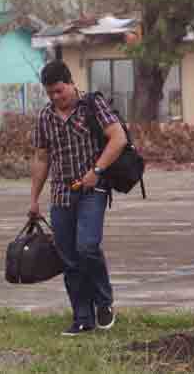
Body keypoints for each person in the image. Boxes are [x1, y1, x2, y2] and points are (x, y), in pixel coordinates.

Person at [30, 60, 127, 336]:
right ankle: (82, 316)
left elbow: (117, 138)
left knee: (87, 246)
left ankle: (104, 302)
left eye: (59, 91)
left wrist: (97, 170)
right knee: (68, 257)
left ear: (71, 83)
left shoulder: (92, 105)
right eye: (50, 93)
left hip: (91, 189)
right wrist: (34, 199)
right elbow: (41, 158)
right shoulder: (45, 117)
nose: (55, 98)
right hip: (60, 193)